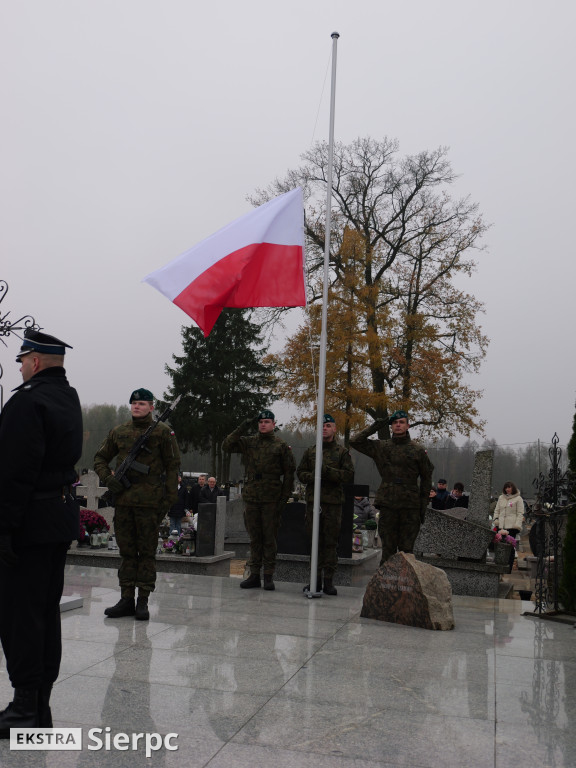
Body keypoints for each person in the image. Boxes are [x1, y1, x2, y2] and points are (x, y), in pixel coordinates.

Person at [0, 330, 82, 735]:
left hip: (28, 525)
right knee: (45, 613)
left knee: (20, 617)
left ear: (34, 359)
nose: (19, 366)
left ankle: (23, 707)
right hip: (57, 519)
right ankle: (40, 705)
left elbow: (15, 472)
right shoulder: (68, 397)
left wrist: (3, 528)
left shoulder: (27, 400)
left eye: (22, 359)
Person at [94, 388, 180, 620]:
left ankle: (143, 600)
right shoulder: (119, 432)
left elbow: (173, 467)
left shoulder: (163, 432)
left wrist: (168, 500)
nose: (137, 407)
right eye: (134, 403)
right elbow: (100, 458)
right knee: (127, 552)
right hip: (124, 502)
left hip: (151, 504)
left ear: (152, 407)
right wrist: (109, 479)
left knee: (147, 553)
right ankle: (126, 599)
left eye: (142, 403)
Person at [222, 409, 295, 591]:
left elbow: (289, 474)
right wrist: (244, 425)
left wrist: (284, 498)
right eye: (260, 422)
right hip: (253, 497)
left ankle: (268, 575)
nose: (263, 424)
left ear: (273, 424)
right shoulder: (249, 442)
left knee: (269, 538)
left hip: (272, 498)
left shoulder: (280, 445)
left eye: (267, 422)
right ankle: (254, 575)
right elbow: (227, 445)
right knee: (254, 538)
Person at [350, 410, 433, 566]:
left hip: (410, 507)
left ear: (408, 425)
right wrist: (376, 425)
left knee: (407, 552)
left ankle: (405, 587)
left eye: (401, 422)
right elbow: (355, 441)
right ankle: (385, 587)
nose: (398, 425)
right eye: (395, 423)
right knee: (387, 550)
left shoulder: (418, 450)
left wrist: (422, 507)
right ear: (391, 426)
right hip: (388, 504)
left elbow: (427, 479)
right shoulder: (382, 446)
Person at [297, 414, 355, 595]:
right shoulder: (311, 451)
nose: (324, 428)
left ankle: (329, 581)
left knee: (330, 542)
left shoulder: (342, 452)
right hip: (314, 502)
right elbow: (300, 473)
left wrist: (326, 472)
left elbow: (348, 475)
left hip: (332, 504)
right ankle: (315, 580)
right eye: (322, 426)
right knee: (314, 542)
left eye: (328, 425)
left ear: (334, 429)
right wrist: (313, 476)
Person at [493, 481, 524, 570]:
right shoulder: (501, 498)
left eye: (509, 487)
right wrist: (496, 520)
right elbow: (497, 510)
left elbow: (520, 513)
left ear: (513, 488)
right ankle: (500, 564)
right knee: (500, 546)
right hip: (501, 526)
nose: (508, 489)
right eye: (506, 487)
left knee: (510, 547)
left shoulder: (518, 499)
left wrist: (517, 525)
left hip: (512, 527)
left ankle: (509, 566)